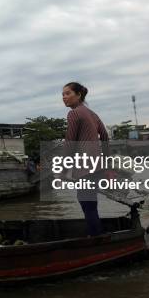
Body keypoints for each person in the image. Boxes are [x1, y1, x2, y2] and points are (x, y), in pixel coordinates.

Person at [62, 81, 109, 236]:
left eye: (68, 93)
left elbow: (70, 143)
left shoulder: (74, 113)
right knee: (91, 205)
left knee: (87, 206)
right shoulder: (92, 114)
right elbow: (105, 136)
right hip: (98, 168)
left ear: (79, 95)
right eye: (63, 94)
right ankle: (97, 235)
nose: (64, 97)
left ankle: (96, 239)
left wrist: (63, 170)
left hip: (85, 169)